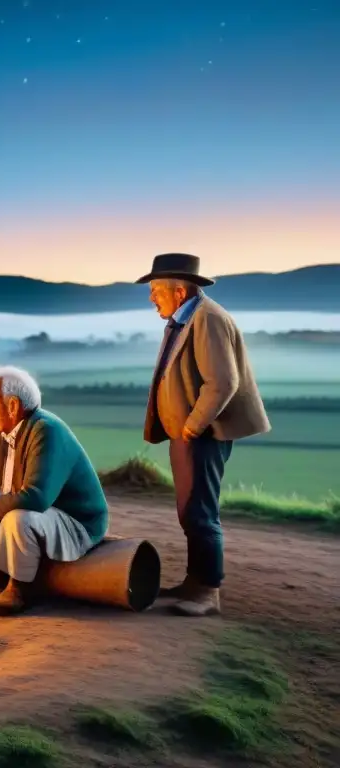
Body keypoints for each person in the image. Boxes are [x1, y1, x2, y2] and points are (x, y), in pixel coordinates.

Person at [136, 253, 270, 617]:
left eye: (154, 291)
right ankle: (195, 581)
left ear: (179, 291)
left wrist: (192, 425)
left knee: (199, 511)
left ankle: (207, 591)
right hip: (189, 434)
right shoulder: (186, 317)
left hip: (203, 434)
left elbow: (223, 382)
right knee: (190, 509)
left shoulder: (207, 319)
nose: (151, 298)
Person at [0, 366, 109, 615]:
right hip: (40, 512)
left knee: (16, 515)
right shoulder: (0, 432)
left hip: (76, 522)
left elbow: (36, 496)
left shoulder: (45, 430)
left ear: (12, 406)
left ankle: (20, 588)